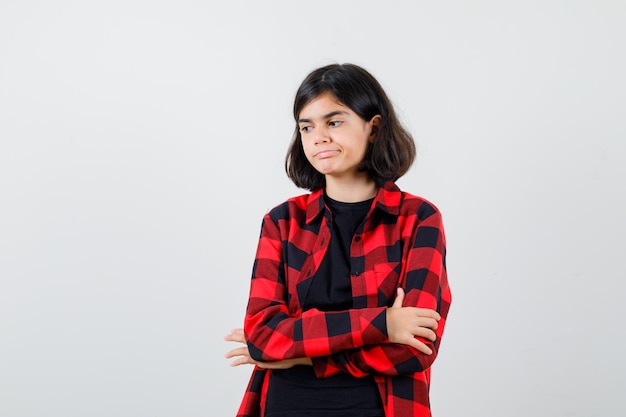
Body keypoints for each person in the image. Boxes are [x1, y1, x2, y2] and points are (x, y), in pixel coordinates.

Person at [224, 63, 452, 417]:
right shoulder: (282, 222)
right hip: (285, 406)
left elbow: (415, 346)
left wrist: (298, 353)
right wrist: (383, 324)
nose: (318, 137)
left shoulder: (418, 219)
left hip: (381, 408)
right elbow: (263, 335)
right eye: (306, 126)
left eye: (334, 122)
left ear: (373, 128)